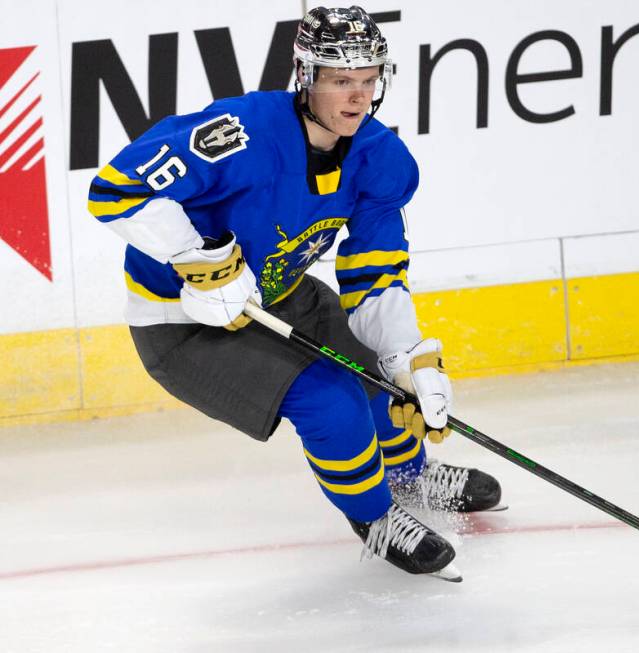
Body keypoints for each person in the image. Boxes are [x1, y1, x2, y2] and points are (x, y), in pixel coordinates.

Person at [86, 6, 502, 581]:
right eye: (340, 80)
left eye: (367, 79)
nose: (356, 97)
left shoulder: (380, 157)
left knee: (374, 371)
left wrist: (408, 356)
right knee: (331, 399)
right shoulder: (238, 134)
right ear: (306, 76)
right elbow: (113, 189)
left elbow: (374, 273)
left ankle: (409, 472)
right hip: (182, 322)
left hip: (278, 292)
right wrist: (197, 259)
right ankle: (376, 518)